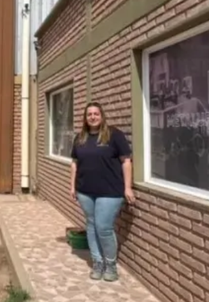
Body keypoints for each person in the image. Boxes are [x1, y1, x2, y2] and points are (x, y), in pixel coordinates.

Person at [69, 102, 135, 282]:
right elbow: (74, 163)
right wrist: (72, 186)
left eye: (96, 113)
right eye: (89, 114)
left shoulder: (114, 135)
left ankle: (110, 265)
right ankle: (97, 262)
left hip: (110, 190)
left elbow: (126, 161)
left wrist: (128, 187)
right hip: (85, 191)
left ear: (102, 115)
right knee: (91, 225)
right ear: (85, 118)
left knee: (104, 228)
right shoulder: (80, 138)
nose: (92, 117)